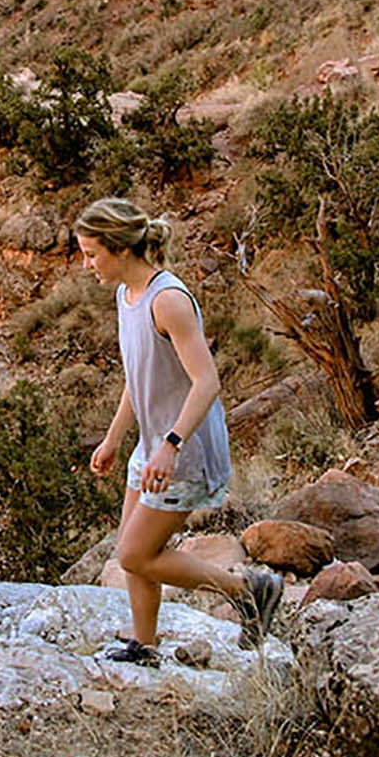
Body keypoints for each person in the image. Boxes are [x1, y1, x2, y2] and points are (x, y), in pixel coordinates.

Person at [78, 198, 281, 665]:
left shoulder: (167, 299)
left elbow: (207, 381)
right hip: (152, 445)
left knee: (134, 554)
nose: (87, 264)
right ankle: (144, 645)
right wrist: (113, 439)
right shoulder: (126, 296)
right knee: (134, 543)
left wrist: (170, 446)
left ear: (119, 248)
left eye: (92, 253)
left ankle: (248, 591)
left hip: (183, 451)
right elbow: (139, 375)